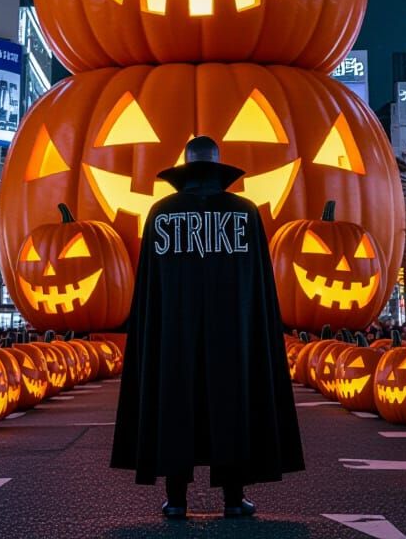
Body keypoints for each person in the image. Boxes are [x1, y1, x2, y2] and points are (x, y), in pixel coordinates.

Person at [111, 136, 303, 520]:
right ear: (220, 173)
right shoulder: (246, 213)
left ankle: (176, 497)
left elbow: (149, 288)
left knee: (175, 403)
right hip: (234, 334)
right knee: (234, 404)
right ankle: (234, 497)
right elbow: (259, 285)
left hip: (172, 334)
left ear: (183, 175)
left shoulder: (161, 214)